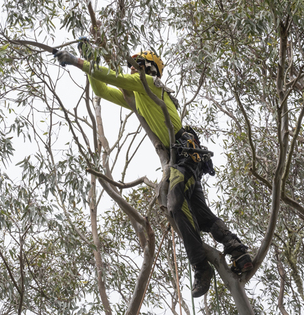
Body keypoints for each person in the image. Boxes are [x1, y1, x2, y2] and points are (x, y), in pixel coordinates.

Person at [53, 46, 253, 298]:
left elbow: (112, 77)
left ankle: (201, 267)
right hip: (182, 158)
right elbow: (102, 89)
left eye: (136, 64)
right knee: (201, 216)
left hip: (183, 155)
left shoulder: (148, 83)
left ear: (147, 67)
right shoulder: (138, 96)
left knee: (175, 204)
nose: (131, 69)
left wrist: (77, 61)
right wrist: (91, 62)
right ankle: (237, 250)